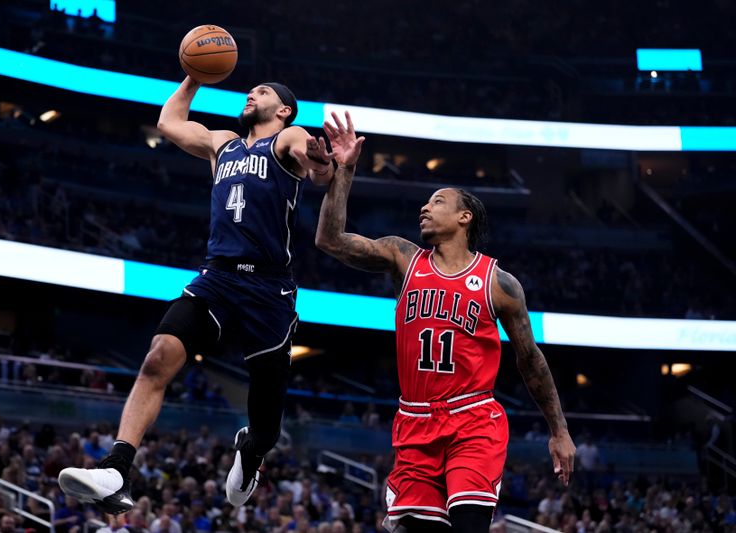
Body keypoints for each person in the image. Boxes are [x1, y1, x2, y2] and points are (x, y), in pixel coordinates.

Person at [59, 76, 338, 513]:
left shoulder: (289, 137)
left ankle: (252, 450)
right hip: (218, 278)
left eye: (264, 92)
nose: (253, 93)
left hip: (268, 290)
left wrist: (323, 164)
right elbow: (169, 122)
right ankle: (116, 471)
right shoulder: (223, 143)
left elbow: (315, 166)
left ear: (284, 109)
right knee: (157, 357)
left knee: (266, 424)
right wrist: (194, 76)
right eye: (252, 90)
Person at [314, 112, 576, 533]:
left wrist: (558, 430)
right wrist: (344, 171)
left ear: (464, 217)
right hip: (414, 420)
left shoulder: (499, 283)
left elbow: (530, 360)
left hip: (473, 419)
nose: (424, 206)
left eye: (437, 201)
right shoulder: (403, 258)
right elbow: (330, 240)